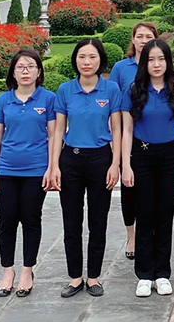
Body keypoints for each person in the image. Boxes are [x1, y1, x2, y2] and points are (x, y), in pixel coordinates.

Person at [50, 38, 128, 298]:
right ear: (75, 60)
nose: (87, 62)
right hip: (71, 160)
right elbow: (58, 130)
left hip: (100, 160)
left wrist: (115, 164)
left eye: (92, 57)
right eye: (82, 57)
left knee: (98, 220)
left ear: (100, 60)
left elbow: (117, 129)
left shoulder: (111, 89)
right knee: (71, 221)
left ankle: (93, 276)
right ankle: (75, 277)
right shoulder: (65, 90)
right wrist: (54, 165)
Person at [122, 39, 174, 297]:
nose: (156, 64)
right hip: (141, 156)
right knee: (144, 215)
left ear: (168, 61)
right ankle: (144, 274)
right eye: (151, 59)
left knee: (164, 215)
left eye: (161, 59)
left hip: (170, 156)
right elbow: (126, 130)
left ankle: (162, 273)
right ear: (144, 62)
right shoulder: (133, 91)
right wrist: (126, 165)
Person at [0, 48, 57, 298]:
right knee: (6, 219)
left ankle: (27, 270)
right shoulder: (3, 101)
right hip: (6, 169)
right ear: (13, 72)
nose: (25, 71)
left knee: (30, 218)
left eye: (31, 66)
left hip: (36, 170)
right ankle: (8, 270)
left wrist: (51, 168)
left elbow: (53, 135)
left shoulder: (48, 99)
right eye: (20, 67)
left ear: (39, 71)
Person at [110, 22, 160, 260]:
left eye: (148, 36)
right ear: (132, 40)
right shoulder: (121, 68)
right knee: (129, 188)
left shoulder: (160, 65)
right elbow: (114, 102)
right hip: (125, 134)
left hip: (151, 137)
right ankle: (131, 235)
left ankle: (150, 233)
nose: (143, 40)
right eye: (139, 36)